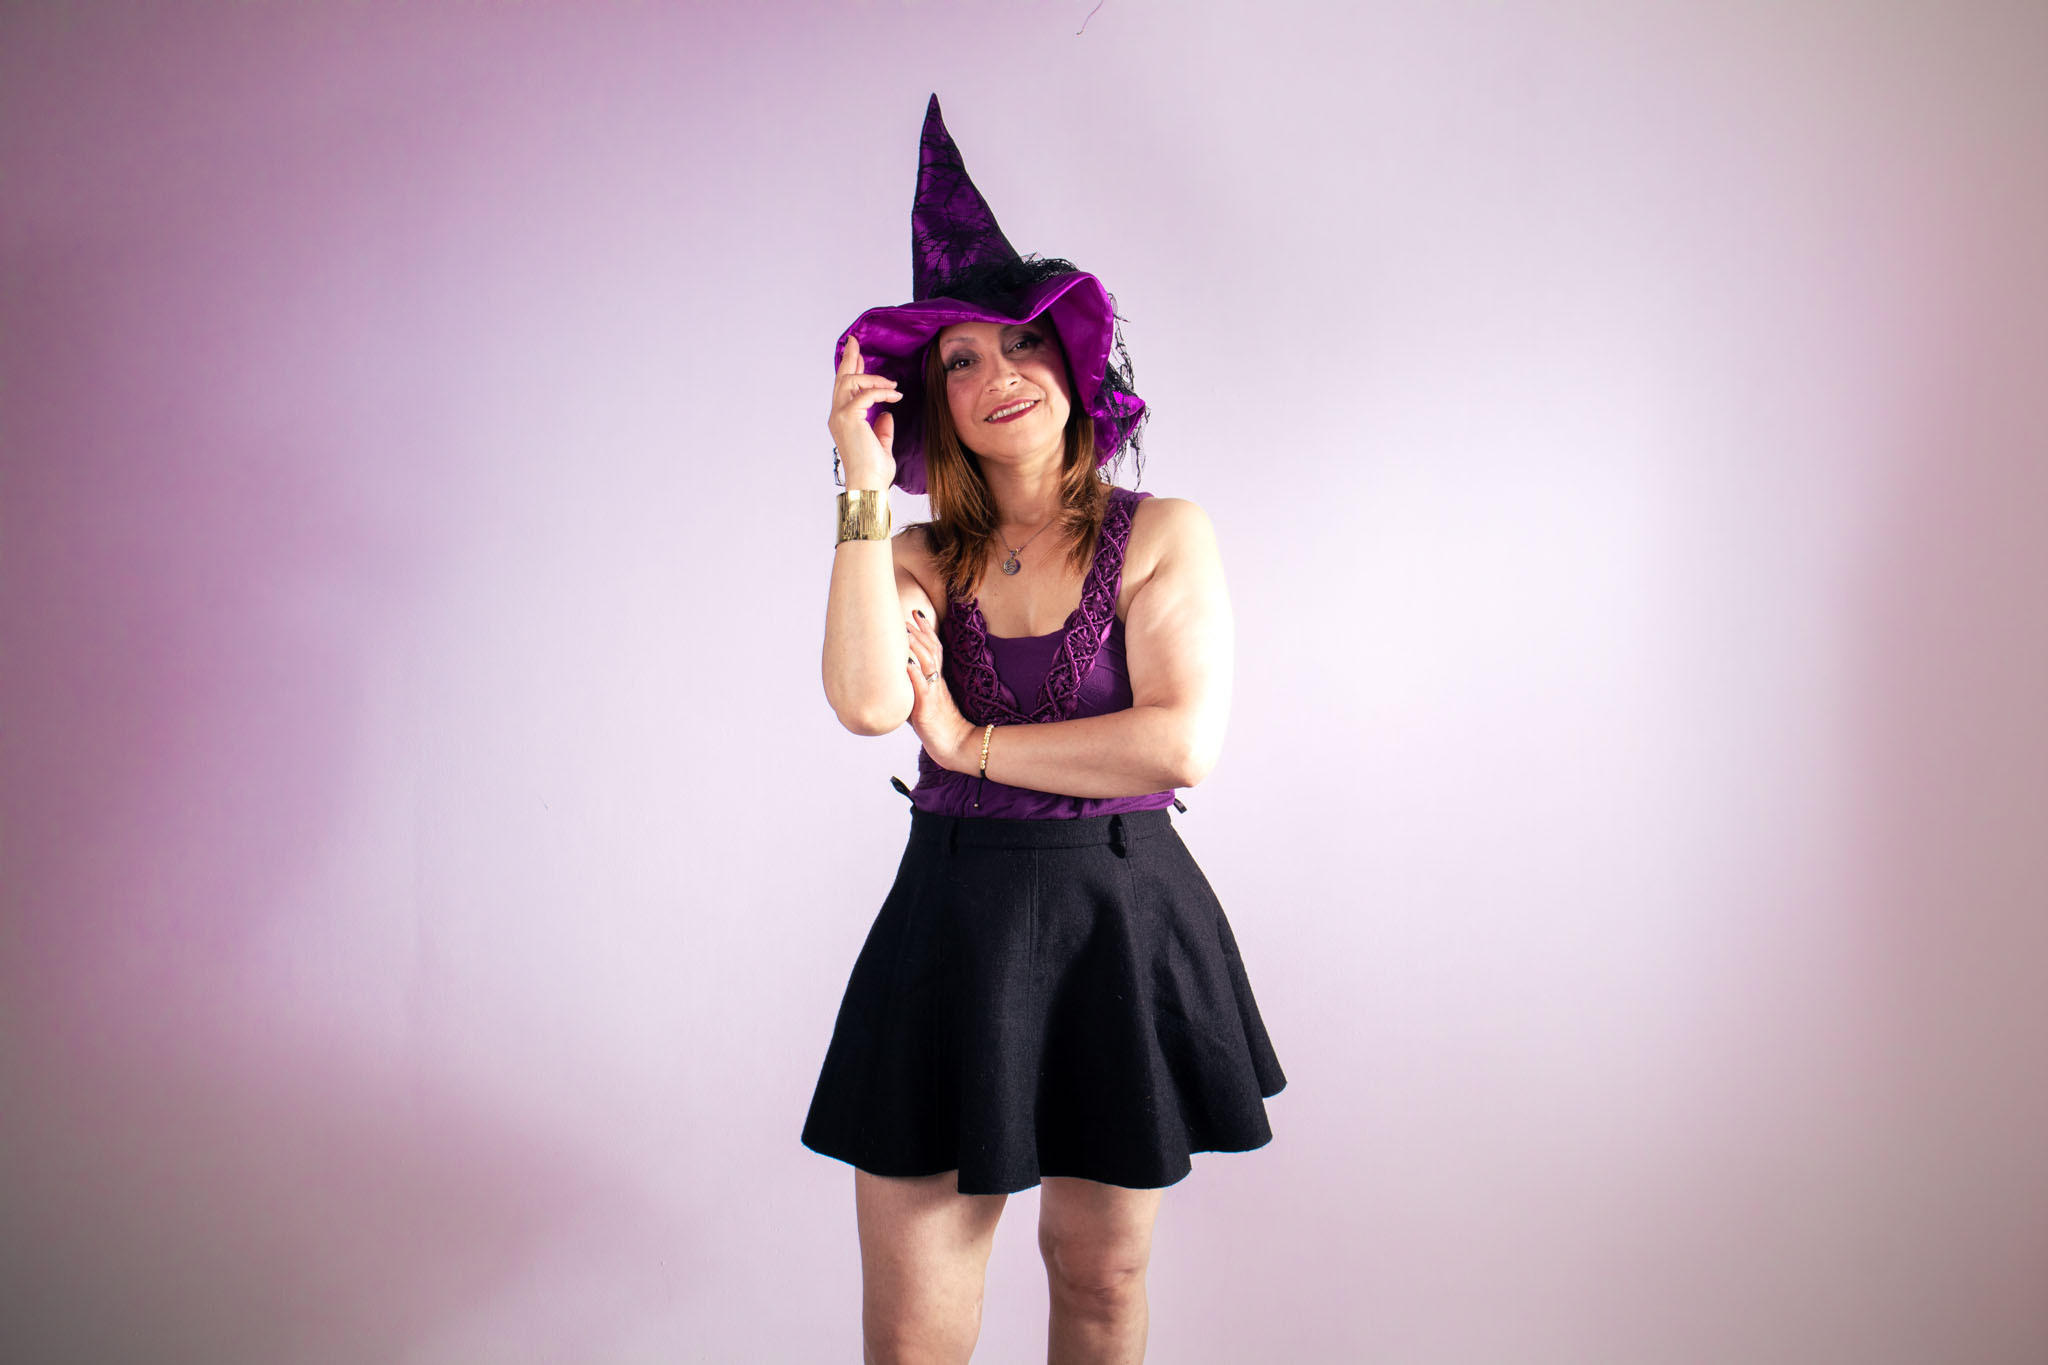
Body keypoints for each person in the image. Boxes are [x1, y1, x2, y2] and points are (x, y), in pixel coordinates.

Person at [802, 95, 1286, 1365]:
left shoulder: (1164, 532)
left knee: (1098, 1279)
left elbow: (1176, 746)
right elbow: (866, 702)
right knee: (913, 1334)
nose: (997, 376)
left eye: (1020, 346)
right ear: (934, 400)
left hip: (1118, 919)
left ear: (1073, 368)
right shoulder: (912, 551)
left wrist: (967, 742)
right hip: (948, 924)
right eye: (959, 361)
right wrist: (860, 488)